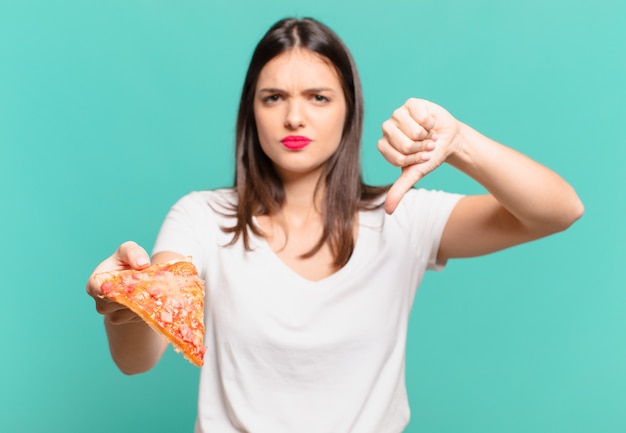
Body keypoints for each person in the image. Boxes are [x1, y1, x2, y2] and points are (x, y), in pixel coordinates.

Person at [86, 17, 583, 433]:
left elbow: (559, 210)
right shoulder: (202, 217)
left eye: (319, 97)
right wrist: (125, 301)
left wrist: (458, 144)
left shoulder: (402, 215)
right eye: (274, 98)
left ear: (350, 111)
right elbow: (138, 358)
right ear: (251, 115)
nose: (295, 117)